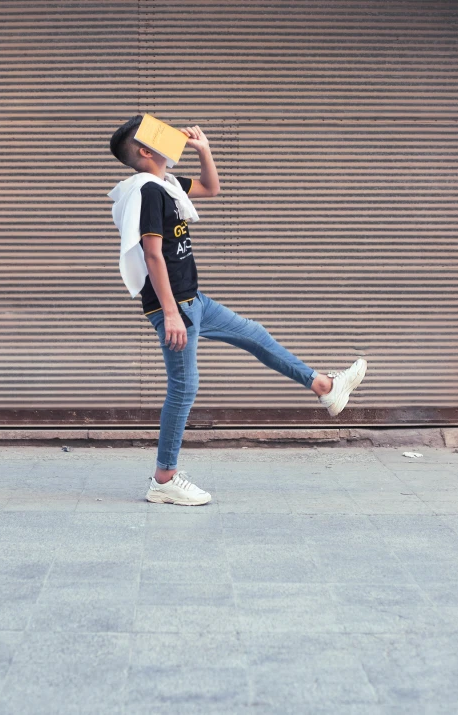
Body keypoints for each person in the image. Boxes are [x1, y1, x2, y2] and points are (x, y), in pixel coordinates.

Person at [108, 115, 366, 506]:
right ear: (145, 150)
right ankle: (164, 478)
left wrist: (204, 149)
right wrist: (172, 313)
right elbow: (152, 254)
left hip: (194, 300)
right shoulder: (147, 191)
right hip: (176, 305)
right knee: (184, 386)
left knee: (254, 334)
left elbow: (211, 188)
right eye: (157, 132)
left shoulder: (167, 184)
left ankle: (325, 388)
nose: (168, 133)